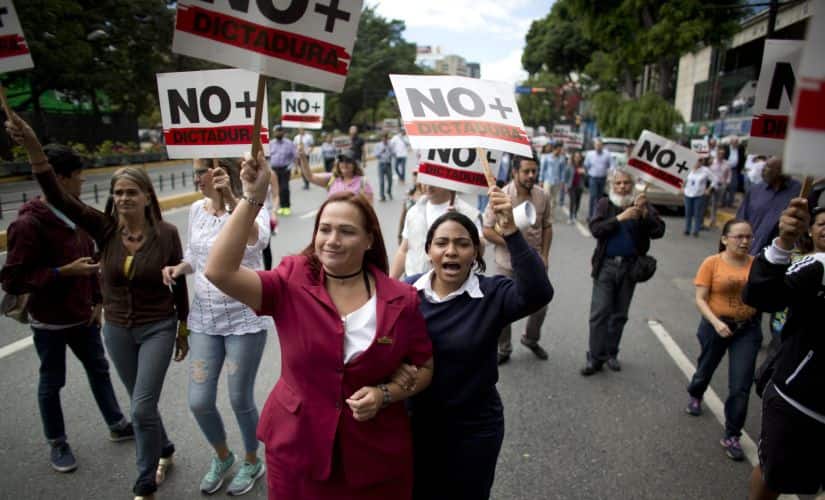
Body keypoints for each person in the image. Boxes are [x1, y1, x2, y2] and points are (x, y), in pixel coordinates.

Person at [204, 150, 435, 499]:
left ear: (369, 240)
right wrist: (252, 197)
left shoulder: (402, 299)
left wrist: (385, 394)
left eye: (346, 231)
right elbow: (219, 271)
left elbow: (425, 368)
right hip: (296, 453)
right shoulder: (291, 279)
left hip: (374, 460)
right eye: (324, 229)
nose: (332, 240)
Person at [6, 114, 189, 500]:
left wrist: (183, 328)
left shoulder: (167, 234)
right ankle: (165, 447)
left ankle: (145, 479)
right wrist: (33, 145)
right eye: (117, 192)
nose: (123, 198)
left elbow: (180, 284)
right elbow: (57, 194)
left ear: (147, 197)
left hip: (158, 326)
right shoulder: (104, 230)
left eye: (131, 192)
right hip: (117, 329)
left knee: (141, 407)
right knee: (140, 403)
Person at [402, 196, 554, 500]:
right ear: (428, 251)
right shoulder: (407, 292)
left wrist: (511, 232)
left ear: (475, 252)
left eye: (462, 244)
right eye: (441, 243)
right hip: (416, 424)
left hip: (473, 430)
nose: (451, 251)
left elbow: (539, 292)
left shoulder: (492, 293)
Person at [0, 144, 134, 474]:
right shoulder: (28, 224)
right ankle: (57, 441)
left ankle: (117, 423)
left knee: (99, 370)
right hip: (49, 322)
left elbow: (93, 262)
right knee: (52, 381)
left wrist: (98, 301)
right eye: (77, 177)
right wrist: (62, 272)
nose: (82, 182)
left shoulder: (78, 216)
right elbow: (13, 280)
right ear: (59, 179)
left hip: (84, 316)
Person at [161, 158, 271, 496]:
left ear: (222, 171)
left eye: (202, 171)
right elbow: (196, 255)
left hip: (244, 318)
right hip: (205, 320)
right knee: (199, 401)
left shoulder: (253, 206)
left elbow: (257, 241)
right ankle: (223, 456)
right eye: (195, 171)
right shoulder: (197, 209)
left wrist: (236, 200)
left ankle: (252, 460)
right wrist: (179, 268)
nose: (197, 177)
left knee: (239, 398)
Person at [744, 200, 825, 500]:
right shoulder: (819, 265)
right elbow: (761, 296)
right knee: (773, 476)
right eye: (822, 223)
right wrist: (784, 243)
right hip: (800, 402)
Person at [684, 220, 760, 461]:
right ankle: (696, 393)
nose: (745, 241)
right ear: (725, 239)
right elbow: (700, 298)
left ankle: (732, 434)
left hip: (747, 330)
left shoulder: (757, 265)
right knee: (705, 369)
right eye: (739, 236)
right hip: (715, 326)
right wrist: (717, 323)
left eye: (748, 237)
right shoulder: (712, 263)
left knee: (741, 385)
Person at [581, 168, 666, 375]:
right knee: (600, 312)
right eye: (618, 183)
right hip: (606, 266)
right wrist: (620, 218)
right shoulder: (605, 204)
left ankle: (611, 353)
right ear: (612, 185)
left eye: (626, 183)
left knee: (619, 314)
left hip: (630, 268)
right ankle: (595, 357)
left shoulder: (642, 204)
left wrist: (644, 214)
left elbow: (658, 231)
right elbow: (596, 229)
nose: (622, 187)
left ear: (632, 185)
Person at [483, 154, 552, 364]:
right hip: (506, 264)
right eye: (526, 171)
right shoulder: (501, 196)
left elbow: (547, 226)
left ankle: (531, 339)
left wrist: (545, 255)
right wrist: (514, 242)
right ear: (514, 172)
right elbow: (487, 231)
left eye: (534, 171)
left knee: (540, 306)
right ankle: (504, 348)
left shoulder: (542, 196)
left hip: (534, 264)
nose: (531, 175)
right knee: (503, 308)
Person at [390, 184, 482, 280]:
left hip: (452, 283)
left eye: (433, 182)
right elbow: (404, 250)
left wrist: (461, 226)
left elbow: (479, 248)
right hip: (415, 282)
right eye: (425, 180)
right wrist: (390, 281)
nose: (428, 186)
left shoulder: (468, 212)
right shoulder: (414, 211)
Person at [736, 157, 801, 256]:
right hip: (748, 250)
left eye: (768, 167)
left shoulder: (798, 192)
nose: (763, 170)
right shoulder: (755, 190)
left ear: (781, 171)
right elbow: (740, 219)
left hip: (776, 254)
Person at [298, 148, 374, 203]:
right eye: (341, 161)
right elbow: (310, 177)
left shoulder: (362, 182)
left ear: (355, 165)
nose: (344, 164)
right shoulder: (332, 178)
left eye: (348, 161)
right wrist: (303, 158)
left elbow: (369, 210)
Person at [268, 125, 297, 216]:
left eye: (280, 131)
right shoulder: (271, 143)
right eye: (277, 131)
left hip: (285, 169)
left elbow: (294, 156)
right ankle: (280, 206)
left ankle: (286, 207)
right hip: (274, 169)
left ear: (283, 132)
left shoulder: (289, 143)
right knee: (276, 189)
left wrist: (295, 167)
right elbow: (267, 157)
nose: (279, 133)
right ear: (274, 132)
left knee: (284, 188)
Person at [585, 138, 615, 220]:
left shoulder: (607, 154)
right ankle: (591, 215)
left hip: (602, 178)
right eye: (597, 145)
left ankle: (597, 215)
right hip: (593, 178)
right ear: (594, 146)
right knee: (593, 196)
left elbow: (612, 165)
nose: (598, 146)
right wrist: (587, 174)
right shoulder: (590, 154)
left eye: (600, 145)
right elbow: (586, 165)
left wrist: (611, 174)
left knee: (600, 197)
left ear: (602, 146)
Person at [682, 159, 713, 237]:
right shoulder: (689, 169)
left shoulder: (705, 170)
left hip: (699, 194)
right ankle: (687, 229)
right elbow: (684, 179)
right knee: (688, 212)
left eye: (700, 161)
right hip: (688, 193)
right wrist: (682, 187)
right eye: (697, 161)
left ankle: (696, 230)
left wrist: (708, 189)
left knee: (697, 213)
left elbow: (714, 180)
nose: (698, 163)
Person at [540, 142, 566, 220]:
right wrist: (541, 180)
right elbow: (543, 169)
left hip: (556, 181)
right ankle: (545, 214)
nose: (559, 151)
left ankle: (551, 216)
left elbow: (562, 171)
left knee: (554, 200)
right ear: (554, 149)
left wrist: (562, 181)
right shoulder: (547, 157)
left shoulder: (562, 159)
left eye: (560, 150)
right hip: (547, 180)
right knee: (546, 197)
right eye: (558, 150)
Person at [398, 171, 424, 245]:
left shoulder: (427, 197)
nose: (415, 177)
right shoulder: (409, 193)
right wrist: (399, 236)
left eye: (417, 174)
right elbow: (403, 215)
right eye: (414, 175)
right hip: (408, 233)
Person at [708, 146, 731, 228]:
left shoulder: (727, 163)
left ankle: (713, 220)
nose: (721, 155)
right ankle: (709, 219)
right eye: (719, 153)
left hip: (721, 185)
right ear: (717, 154)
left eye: (722, 154)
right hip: (712, 185)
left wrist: (727, 183)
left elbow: (729, 174)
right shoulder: (712, 162)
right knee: (710, 202)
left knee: (716, 203)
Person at [565, 151, 586, 224]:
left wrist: (584, 173)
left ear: (580, 158)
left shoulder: (582, 166)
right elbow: (566, 175)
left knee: (577, 202)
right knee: (572, 201)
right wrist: (566, 185)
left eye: (579, 157)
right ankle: (570, 217)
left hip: (579, 186)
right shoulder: (570, 165)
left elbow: (586, 177)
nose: (577, 158)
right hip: (571, 186)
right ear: (573, 158)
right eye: (576, 157)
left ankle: (575, 215)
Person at [724, 137, 745, 207]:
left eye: (737, 142)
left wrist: (741, 168)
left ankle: (730, 202)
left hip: (734, 170)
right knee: (724, 186)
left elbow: (743, 158)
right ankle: (723, 201)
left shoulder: (740, 148)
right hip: (725, 169)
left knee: (733, 186)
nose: (736, 143)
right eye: (734, 142)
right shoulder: (726, 148)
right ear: (730, 142)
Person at [374, 133, 393, 201]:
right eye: (383, 138)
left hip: (388, 164)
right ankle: (382, 196)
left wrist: (391, 151)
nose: (384, 139)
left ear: (387, 139)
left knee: (390, 180)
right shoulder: (378, 145)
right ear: (381, 138)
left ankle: (389, 191)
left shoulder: (390, 145)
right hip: (381, 164)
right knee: (381, 182)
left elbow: (393, 154)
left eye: (386, 138)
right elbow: (376, 155)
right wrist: (381, 151)